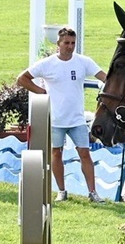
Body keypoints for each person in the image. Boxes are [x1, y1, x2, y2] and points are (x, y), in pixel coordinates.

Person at [16, 28, 107, 203]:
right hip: (56, 119)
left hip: (77, 119)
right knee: (56, 153)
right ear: (58, 43)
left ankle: (92, 192)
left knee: (85, 153)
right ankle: (61, 191)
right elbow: (22, 78)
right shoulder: (47, 64)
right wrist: (41, 92)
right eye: (66, 43)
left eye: (73, 43)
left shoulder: (83, 62)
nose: (70, 46)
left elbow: (105, 77)